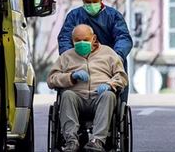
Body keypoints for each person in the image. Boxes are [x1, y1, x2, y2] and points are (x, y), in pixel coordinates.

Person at [47, 24, 128, 152]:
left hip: (100, 97)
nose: (81, 43)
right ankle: (71, 140)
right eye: (77, 41)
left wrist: (110, 84)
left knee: (109, 95)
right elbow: (51, 79)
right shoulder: (66, 56)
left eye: (85, 39)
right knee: (67, 95)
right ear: (72, 41)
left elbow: (122, 77)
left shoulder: (108, 53)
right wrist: (71, 77)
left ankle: (97, 141)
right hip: (76, 97)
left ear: (94, 38)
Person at [57, 0, 133, 70]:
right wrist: (70, 59)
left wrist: (116, 57)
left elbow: (123, 38)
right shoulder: (74, 16)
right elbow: (64, 39)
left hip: (109, 67)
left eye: (95, 1)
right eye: (88, 2)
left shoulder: (113, 16)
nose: (92, 5)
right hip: (80, 66)